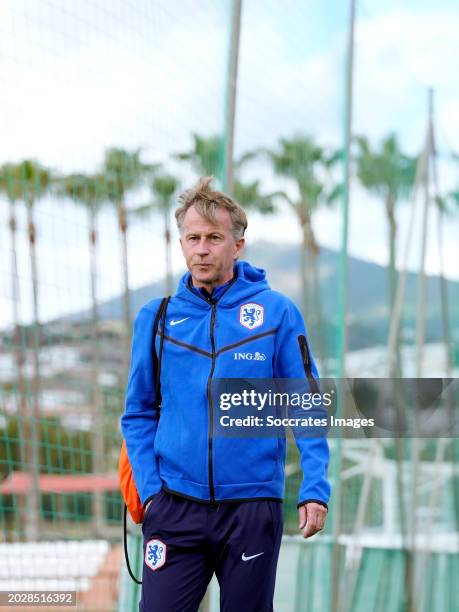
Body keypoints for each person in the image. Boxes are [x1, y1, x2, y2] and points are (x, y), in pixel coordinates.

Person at [121, 176, 330, 612]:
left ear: (237, 245)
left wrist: (314, 487)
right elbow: (137, 412)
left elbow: (304, 403)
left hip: (252, 508)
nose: (202, 248)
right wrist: (151, 492)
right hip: (174, 507)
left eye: (214, 237)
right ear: (180, 243)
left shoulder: (277, 313)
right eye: (192, 237)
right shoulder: (155, 318)